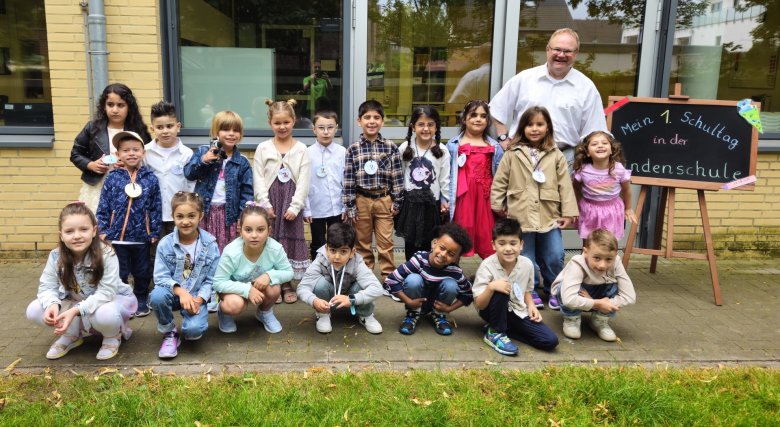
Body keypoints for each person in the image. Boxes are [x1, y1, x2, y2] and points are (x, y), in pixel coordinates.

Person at [491, 106, 578, 311]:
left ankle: (554, 289)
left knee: (554, 255)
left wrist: (568, 212)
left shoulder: (555, 154)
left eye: (540, 124)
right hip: (520, 214)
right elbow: (500, 180)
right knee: (525, 258)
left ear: (548, 127)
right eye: (530, 125)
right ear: (523, 128)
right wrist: (497, 204)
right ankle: (529, 291)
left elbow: (565, 185)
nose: (535, 129)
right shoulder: (512, 153)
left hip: (549, 214)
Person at [26, 202, 137, 360]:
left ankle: (112, 336)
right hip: (75, 300)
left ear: (94, 231)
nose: (77, 236)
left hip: (108, 301)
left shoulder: (107, 254)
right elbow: (47, 286)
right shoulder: (55, 256)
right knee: (34, 309)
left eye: (83, 229)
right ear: (61, 235)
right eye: (69, 231)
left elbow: (106, 293)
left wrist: (75, 311)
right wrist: (52, 304)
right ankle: (71, 335)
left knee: (106, 315)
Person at [489, 28, 607, 166]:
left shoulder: (586, 87)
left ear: (576, 54)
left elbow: (595, 131)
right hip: (522, 157)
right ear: (547, 49)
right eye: (557, 49)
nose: (561, 55)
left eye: (568, 51)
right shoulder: (525, 79)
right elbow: (496, 109)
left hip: (565, 160)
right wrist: (503, 138)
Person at [96, 130, 162, 318]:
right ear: (118, 154)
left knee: (142, 270)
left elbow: (156, 206)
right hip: (117, 237)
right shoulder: (112, 177)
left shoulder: (151, 178)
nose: (131, 153)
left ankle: (140, 297)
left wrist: (154, 231)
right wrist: (103, 230)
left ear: (143, 152)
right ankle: (123, 299)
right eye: (126, 150)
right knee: (120, 271)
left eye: (135, 149)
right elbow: (103, 205)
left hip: (142, 236)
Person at [253, 99, 311, 303]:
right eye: (277, 123)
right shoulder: (263, 148)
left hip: (291, 201)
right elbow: (258, 178)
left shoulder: (301, 149)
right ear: (270, 123)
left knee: (288, 240)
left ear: (294, 121)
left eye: (286, 122)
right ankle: (271, 282)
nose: (282, 127)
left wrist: (296, 206)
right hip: (271, 202)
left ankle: (286, 283)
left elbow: (304, 181)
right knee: (270, 241)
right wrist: (265, 204)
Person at [473, 218, 559, 356]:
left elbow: (527, 290)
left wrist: (531, 305)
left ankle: (503, 329)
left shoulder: (527, 264)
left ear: (521, 244)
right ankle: (495, 332)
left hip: (517, 310)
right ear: (493, 245)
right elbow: (479, 304)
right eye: (502, 243)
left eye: (513, 243)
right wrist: (491, 287)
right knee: (501, 288)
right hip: (491, 310)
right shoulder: (486, 266)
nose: (508, 248)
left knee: (550, 341)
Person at [150, 192, 220, 359]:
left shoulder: (210, 244)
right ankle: (169, 331)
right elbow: (160, 277)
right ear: (173, 217)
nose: (185, 221)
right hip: (173, 293)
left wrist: (200, 299)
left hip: (196, 296)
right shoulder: (165, 244)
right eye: (180, 216)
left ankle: (190, 323)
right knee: (157, 296)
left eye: (191, 216)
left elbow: (212, 279)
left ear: (200, 216)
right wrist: (181, 292)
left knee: (193, 331)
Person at [342, 100, 404, 281]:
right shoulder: (353, 149)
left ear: (382, 122)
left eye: (376, 117)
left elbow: (397, 176)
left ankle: (388, 278)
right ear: (359, 121)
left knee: (386, 243)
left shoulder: (390, 147)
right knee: (362, 243)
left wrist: (397, 201)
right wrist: (350, 206)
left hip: (384, 199)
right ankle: (366, 278)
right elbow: (348, 179)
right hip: (361, 200)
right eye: (367, 117)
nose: (371, 121)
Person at [213, 204, 293, 334]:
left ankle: (264, 312)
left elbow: (289, 272)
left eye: (260, 230)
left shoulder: (275, 248)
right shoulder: (231, 252)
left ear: (269, 230)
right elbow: (218, 283)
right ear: (240, 230)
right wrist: (247, 290)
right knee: (235, 305)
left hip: (258, 287)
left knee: (274, 288)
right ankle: (224, 313)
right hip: (233, 290)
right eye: (248, 230)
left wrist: (269, 276)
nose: (254, 235)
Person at [70, 83, 151, 211]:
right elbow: (75, 153)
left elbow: (148, 158)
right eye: (110, 104)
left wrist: (130, 164)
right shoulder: (92, 128)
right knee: (97, 219)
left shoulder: (138, 130)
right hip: (98, 186)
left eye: (121, 105)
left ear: (129, 107)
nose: (115, 110)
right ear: (104, 106)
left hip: (129, 185)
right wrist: (91, 165)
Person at [384, 222, 473, 336]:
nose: (443, 254)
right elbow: (391, 281)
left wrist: (449, 308)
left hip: (439, 303)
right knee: (413, 280)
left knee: (451, 284)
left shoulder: (455, 271)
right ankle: (413, 314)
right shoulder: (419, 260)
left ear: (456, 258)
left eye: (451, 254)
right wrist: (408, 301)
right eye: (442, 248)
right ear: (434, 243)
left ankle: (439, 315)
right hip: (415, 301)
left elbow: (468, 294)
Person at [184, 110, 253, 253]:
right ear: (216, 131)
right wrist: (203, 161)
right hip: (205, 212)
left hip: (228, 216)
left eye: (235, 130)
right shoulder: (203, 152)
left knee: (225, 251)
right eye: (226, 129)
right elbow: (189, 174)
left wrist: (242, 216)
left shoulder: (242, 162)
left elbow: (247, 192)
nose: (231, 134)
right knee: (202, 250)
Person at [297, 223, 384, 334]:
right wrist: (314, 301)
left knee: (361, 285)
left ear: (352, 252)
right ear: (326, 249)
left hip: (351, 296)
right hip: (329, 297)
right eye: (333, 250)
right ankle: (323, 314)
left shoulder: (357, 262)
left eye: (343, 251)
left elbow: (377, 289)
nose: (337, 257)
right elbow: (302, 287)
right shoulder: (320, 260)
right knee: (319, 284)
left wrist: (352, 299)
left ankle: (366, 315)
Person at [551, 228, 636, 342]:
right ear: (585, 252)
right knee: (563, 287)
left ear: (615, 255)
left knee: (615, 286)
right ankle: (571, 318)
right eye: (597, 258)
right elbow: (568, 299)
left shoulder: (616, 262)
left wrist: (601, 304)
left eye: (609, 259)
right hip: (577, 293)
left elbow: (630, 296)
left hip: (594, 294)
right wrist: (597, 304)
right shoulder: (577, 263)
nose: (602, 265)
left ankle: (599, 320)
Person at [446, 100, 504, 259]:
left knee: (487, 236)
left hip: (485, 199)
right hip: (462, 198)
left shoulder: (495, 147)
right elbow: (446, 174)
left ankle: (490, 271)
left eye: (483, 116)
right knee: (458, 236)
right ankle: (452, 269)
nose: (478, 119)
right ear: (464, 119)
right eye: (473, 115)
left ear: (488, 121)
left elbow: (501, 176)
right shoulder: (453, 145)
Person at [396, 105, 451, 260]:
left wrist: (445, 200)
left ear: (436, 127)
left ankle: (427, 270)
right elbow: (399, 176)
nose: (426, 129)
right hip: (410, 204)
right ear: (413, 127)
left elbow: (444, 178)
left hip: (432, 204)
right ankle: (411, 269)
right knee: (410, 242)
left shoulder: (442, 150)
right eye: (421, 124)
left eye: (430, 124)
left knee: (429, 241)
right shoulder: (405, 148)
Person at [572, 131, 637, 242]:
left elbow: (626, 190)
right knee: (589, 242)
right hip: (590, 211)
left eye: (604, 143)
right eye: (594, 144)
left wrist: (628, 208)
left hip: (611, 211)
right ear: (587, 152)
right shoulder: (582, 170)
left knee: (609, 242)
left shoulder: (618, 169)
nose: (600, 145)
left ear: (611, 150)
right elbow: (575, 189)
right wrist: (575, 207)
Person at [144, 100, 195, 237]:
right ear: (152, 129)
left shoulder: (187, 154)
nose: (165, 131)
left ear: (178, 127)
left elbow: (191, 184)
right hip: (154, 213)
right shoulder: (145, 152)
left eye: (169, 126)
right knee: (156, 248)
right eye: (159, 127)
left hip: (179, 214)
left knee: (179, 246)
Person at [303, 110, 346, 261]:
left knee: (338, 241)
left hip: (337, 207)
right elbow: (303, 183)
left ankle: (336, 268)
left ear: (336, 128)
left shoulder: (342, 152)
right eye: (321, 128)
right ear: (314, 129)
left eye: (330, 127)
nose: (326, 132)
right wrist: (306, 209)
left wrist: (345, 206)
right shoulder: (307, 153)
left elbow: (346, 181)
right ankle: (318, 269)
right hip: (316, 207)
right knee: (318, 242)